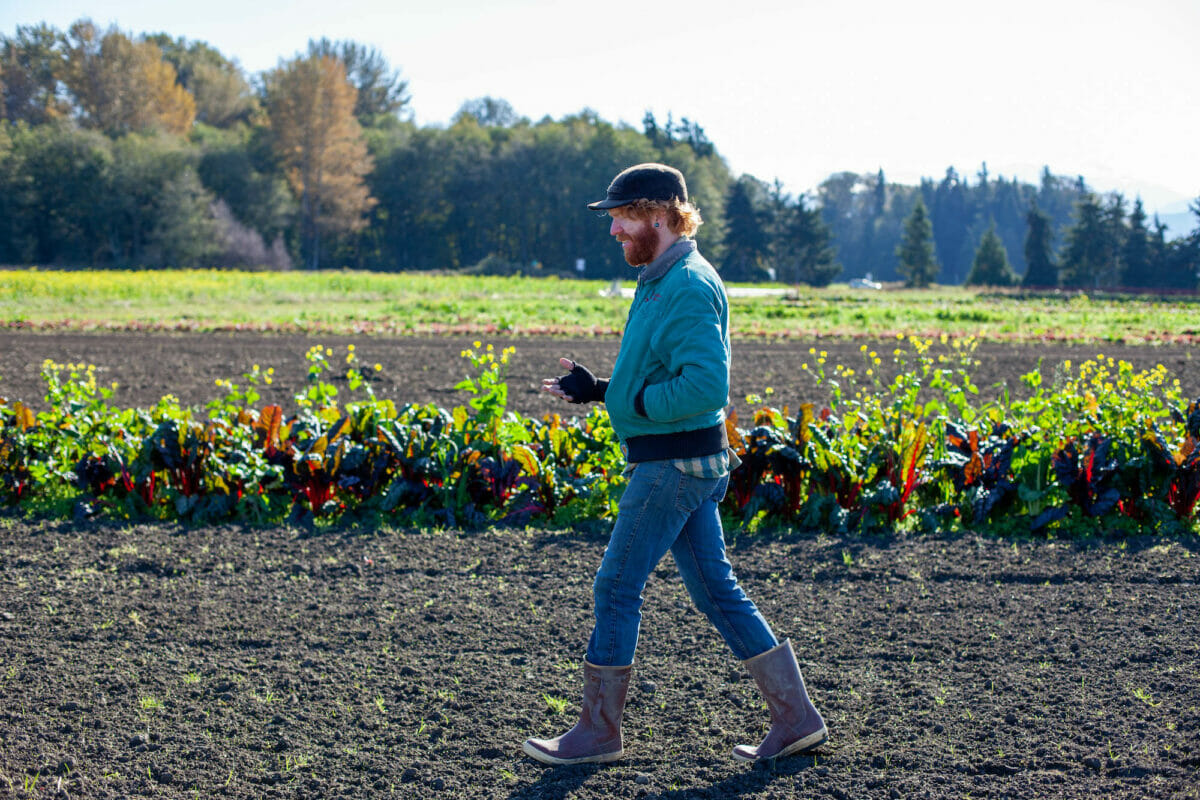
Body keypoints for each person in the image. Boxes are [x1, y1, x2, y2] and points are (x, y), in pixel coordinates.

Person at [522, 163, 828, 766]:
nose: (612, 229)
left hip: (673, 466)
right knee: (716, 590)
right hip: (682, 459)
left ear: (657, 214)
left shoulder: (686, 283)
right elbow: (664, 373)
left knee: (615, 587)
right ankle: (795, 718)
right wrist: (603, 388)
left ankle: (598, 733)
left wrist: (630, 400)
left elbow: (704, 388)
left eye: (620, 216)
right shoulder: (660, 279)